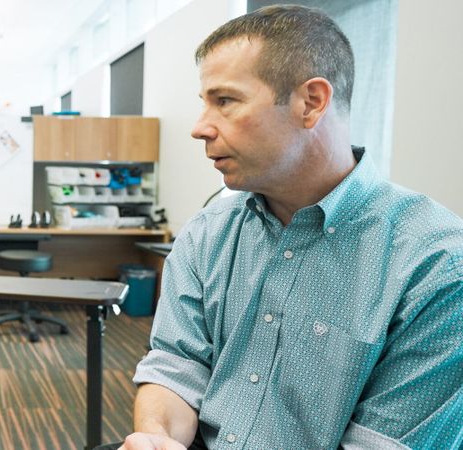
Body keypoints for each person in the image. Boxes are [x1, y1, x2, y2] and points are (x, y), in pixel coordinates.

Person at [119, 5, 463, 450]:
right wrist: (156, 437)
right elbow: (177, 365)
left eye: (225, 101)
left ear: (311, 102)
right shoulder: (207, 234)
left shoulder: (435, 265)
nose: (200, 127)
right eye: (204, 102)